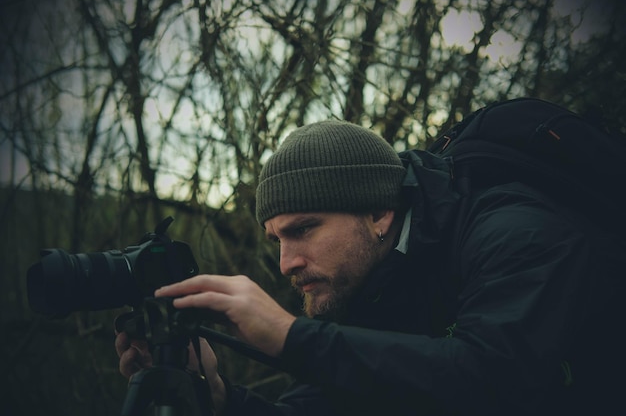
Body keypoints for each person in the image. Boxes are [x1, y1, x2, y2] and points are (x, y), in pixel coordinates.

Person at [115, 119, 625, 415]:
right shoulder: (365, 282)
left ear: (380, 212)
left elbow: (494, 379)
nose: (286, 263)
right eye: (275, 239)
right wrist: (221, 398)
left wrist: (290, 336)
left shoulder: (515, 232)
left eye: (303, 229)